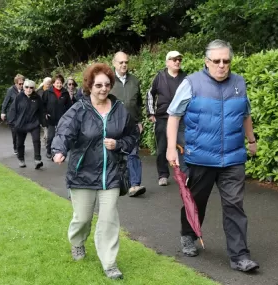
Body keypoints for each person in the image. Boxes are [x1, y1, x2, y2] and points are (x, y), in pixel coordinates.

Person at [166, 40, 260, 273]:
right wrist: (171, 148)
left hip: (233, 159)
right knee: (196, 202)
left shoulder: (239, 83)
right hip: (199, 158)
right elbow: (174, 116)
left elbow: (245, 114)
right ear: (206, 62)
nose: (221, 65)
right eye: (216, 61)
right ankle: (188, 234)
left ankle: (240, 256)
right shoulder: (191, 83)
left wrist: (251, 140)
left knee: (234, 205)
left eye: (226, 61)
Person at [51, 63, 137, 280]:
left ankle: (109, 262)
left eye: (107, 84)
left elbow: (132, 136)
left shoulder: (120, 110)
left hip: (111, 174)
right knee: (82, 218)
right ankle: (77, 242)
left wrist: (117, 145)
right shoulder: (79, 109)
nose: (103, 89)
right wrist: (59, 150)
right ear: (89, 86)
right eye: (98, 85)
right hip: (82, 173)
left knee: (109, 219)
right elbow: (64, 132)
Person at [145, 50, 187, 186]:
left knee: (183, 146)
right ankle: (163, 174)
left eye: (179, 59)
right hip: (163, 117)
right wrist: (151, 113)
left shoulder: (186, 78)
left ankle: (184, 174)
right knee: (162, 147)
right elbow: (150, 94)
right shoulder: (159, 77)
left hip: (181, 118)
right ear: (167, 62)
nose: (177, 62)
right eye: (174, 59)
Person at [111, 51, 146, 197]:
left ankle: (135, 185)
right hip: (114, 124)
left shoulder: (135, 81)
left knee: (133, 153)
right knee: (115, 155)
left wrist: (139, 121)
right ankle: (115, 184)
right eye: (121, 62)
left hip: (132, 124)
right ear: (114, 64)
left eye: (126, 62)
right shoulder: (109, 81)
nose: (124, 65)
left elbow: (139, 103)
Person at [7, 79, 44, 169]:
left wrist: (42, 121)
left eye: (31, 87)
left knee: (36, 141)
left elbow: (41, 110)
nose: (29, 89)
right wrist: (13, 122)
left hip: (34, 123)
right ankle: (21, 159)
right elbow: (12, 110)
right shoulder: (19, 97)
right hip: (21, 124)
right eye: (26, 87)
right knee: (20, 143)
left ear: (34, 88)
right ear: (23, 88)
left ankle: (37, 160)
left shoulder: (37, 98)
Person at [43, 74, 72, 159]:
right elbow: (42, 105)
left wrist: (68, 117)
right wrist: (45, 113)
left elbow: (69, 106)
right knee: (51, 136)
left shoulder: (65, 93)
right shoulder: (47, 93)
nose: (59, 85)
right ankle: (49, 151)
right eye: (57, 83)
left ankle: (59, 152)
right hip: (51, 118)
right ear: (53, 83)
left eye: (60, 83)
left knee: (61, 136)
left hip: (62, 119)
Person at [1, 74, 25, 155]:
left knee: (21, 132)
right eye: (20, 84)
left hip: (22, 115)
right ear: (16, 83)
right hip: (12, 116)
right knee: (15, 132)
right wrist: (3, 112)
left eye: (22, 83)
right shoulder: (10, 90)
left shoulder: (25, 90)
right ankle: (16, 147)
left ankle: (20, 146)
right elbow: (5, 102)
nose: (21, 85)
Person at [36, 77, 52, 144]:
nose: (48, 85)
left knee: (48, 127)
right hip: (42, 112)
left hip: (50, 111)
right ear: (44, 83)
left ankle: (46, 138)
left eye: (49, 84)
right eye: (47, 84)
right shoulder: (39, 91)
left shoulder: (52, 91)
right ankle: (46, 138)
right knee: (45, 126)